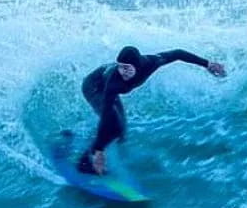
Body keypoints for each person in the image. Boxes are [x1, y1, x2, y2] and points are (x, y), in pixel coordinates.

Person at [78, 45, 226, 175]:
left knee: (121, 131)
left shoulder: (151, 62)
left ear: (137, 65)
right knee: (113, 124)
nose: (122, 71)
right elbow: (106, 115)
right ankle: (85, 162)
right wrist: (99, 149)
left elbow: (178, 53)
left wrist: (207, 64)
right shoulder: (114, 81)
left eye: (127, 68)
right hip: (93, 87)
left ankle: (97, 141)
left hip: (104, 87)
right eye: (120, 66)